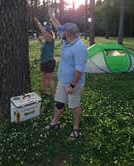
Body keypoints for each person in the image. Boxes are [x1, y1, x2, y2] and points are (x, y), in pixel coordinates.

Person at [45, 8, 88, 141]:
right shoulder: (67, 40)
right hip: (62, 80)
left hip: (73, 83)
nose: (60, 32)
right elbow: (58, 25)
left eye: (63, 32)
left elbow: (79, 70)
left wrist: (72, 85)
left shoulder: (79, 48)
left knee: (74, 105)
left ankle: (76, 128)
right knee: (59, 102)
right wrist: (52, 16)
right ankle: (55, 122)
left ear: (68, 34)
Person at [34, 17, 55, 97]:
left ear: (49, 32)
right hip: (43, 62)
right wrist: (40, 42)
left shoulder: (50, 38)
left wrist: (37, 22)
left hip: (49, 62)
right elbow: (45, 47)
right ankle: (45, 92)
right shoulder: (47, 41)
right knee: (43, 78)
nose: (44, 33)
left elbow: (44, 32)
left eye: (46, 31)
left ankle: (53, 94)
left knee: (50, 78)